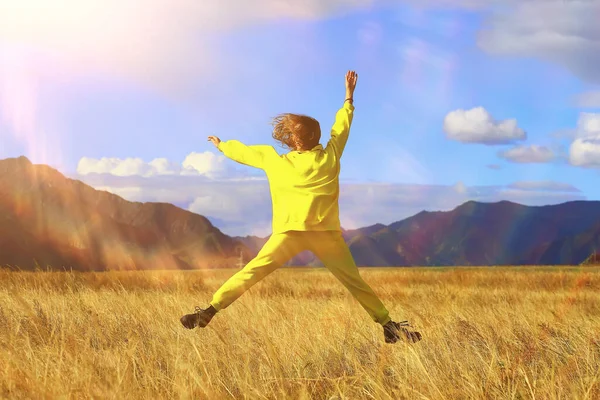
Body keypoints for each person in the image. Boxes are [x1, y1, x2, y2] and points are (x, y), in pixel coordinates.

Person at [180, 71, 422, 344]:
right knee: (355, 282)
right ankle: (389, 326)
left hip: (289, 233)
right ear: (317, 137)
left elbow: (245, 152)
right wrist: (348, 97)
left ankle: (210, 310)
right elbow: (342, 127)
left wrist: (222, 146)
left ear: (294, 141)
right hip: (326, 235)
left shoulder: (275, 161)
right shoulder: (330, 155)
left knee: (250, 273)